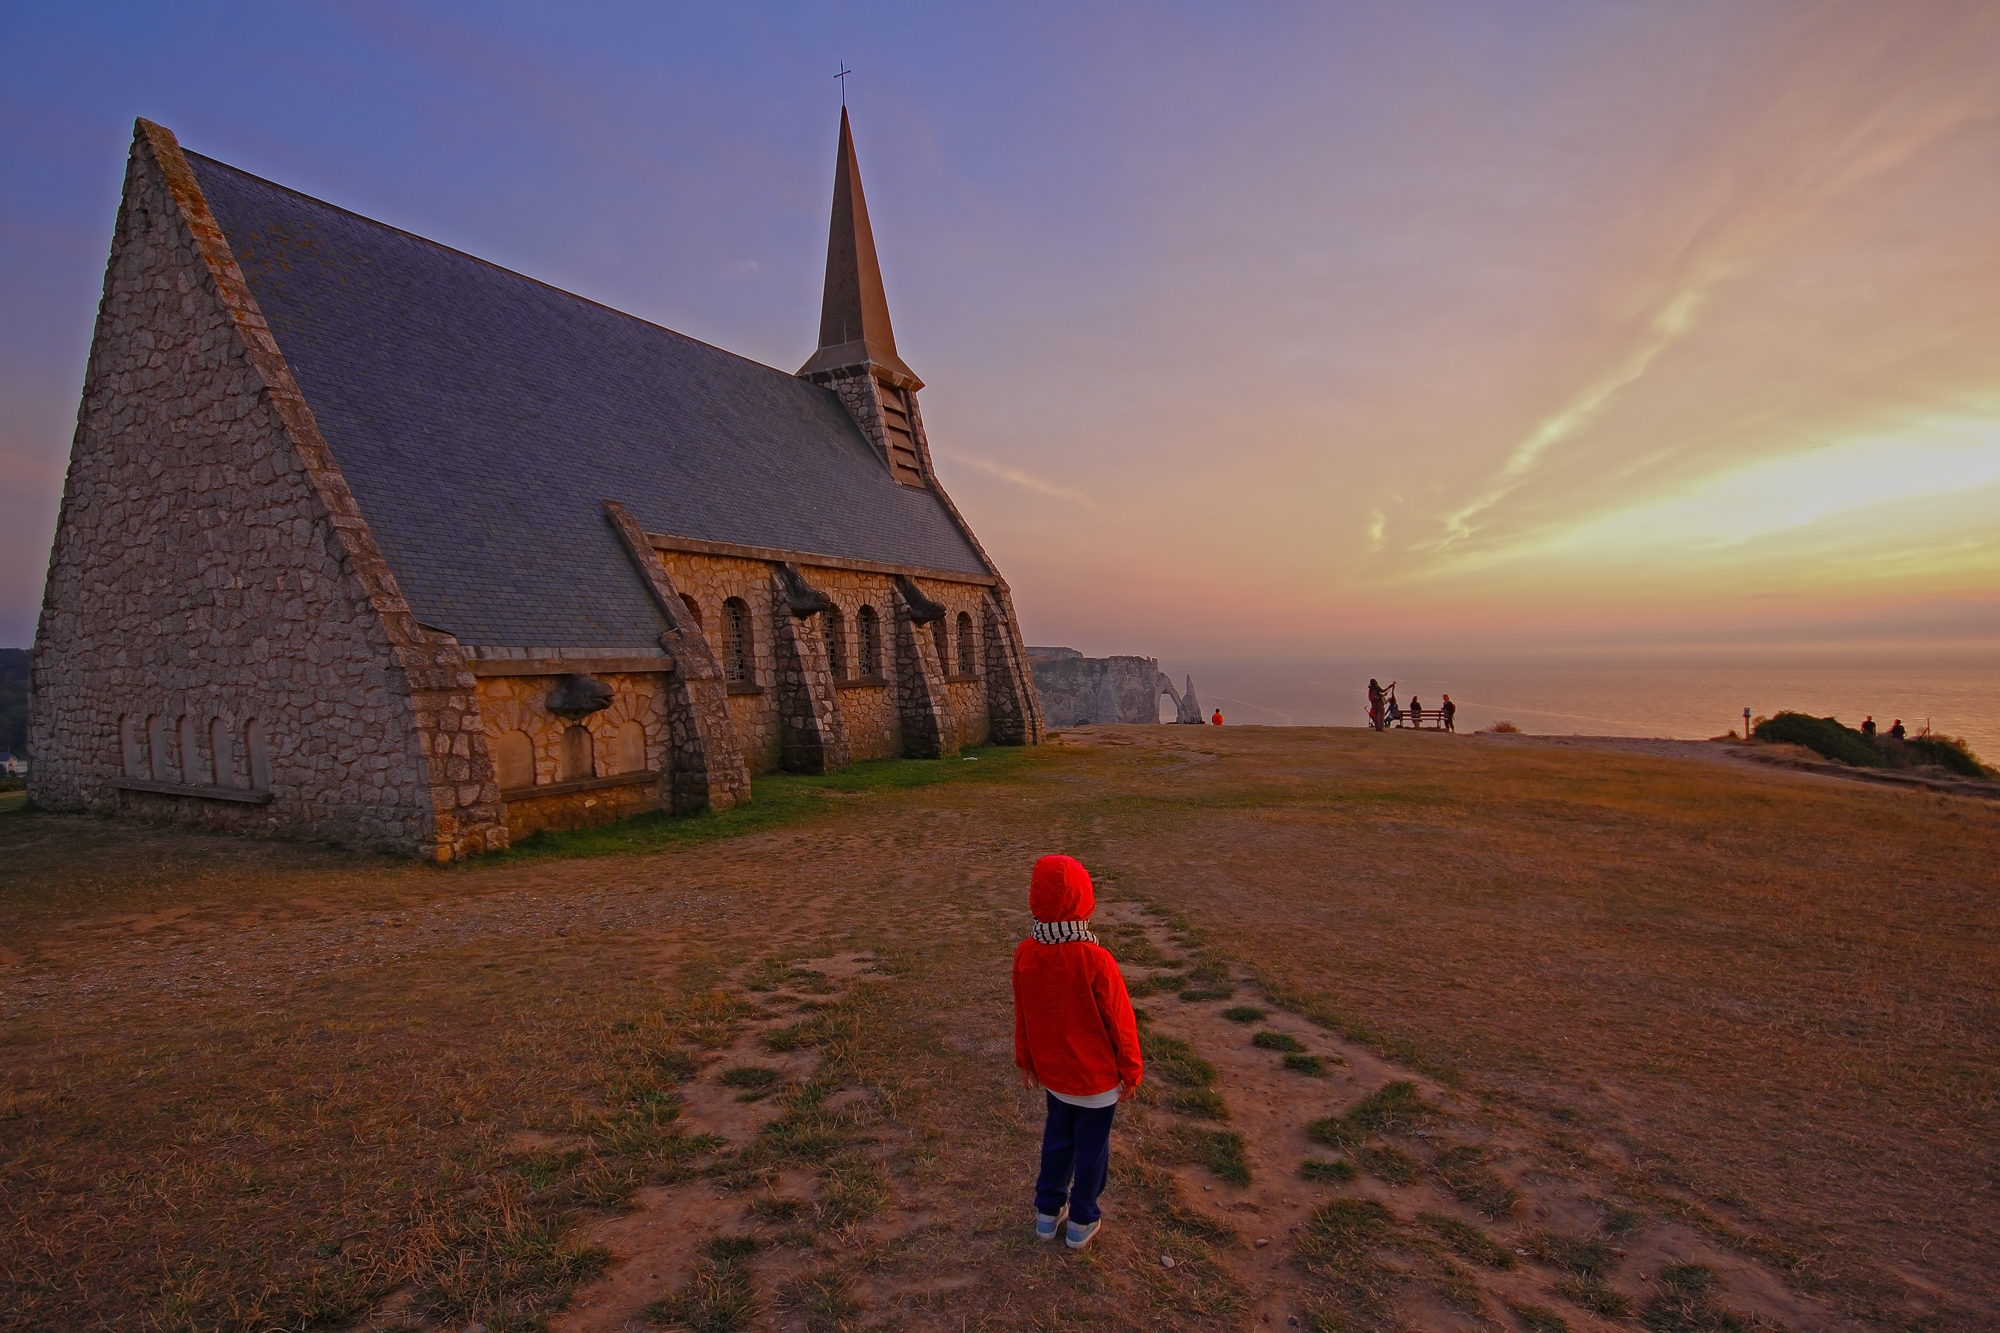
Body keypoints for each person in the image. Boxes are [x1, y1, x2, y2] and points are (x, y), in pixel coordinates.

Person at [1013, 854, 1142, 1251]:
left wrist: (1027, 1060)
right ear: (1085, 897)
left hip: (1055, 1076)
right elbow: (1120, 1022)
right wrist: (1131, 1070)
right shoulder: (1095, 959)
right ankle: (1082, 1218)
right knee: (1091, 1149)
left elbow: (1024, 1015)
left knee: (1057, 1141)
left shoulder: (1026, 953)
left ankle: (1047, 1214)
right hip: (1096, 1081)